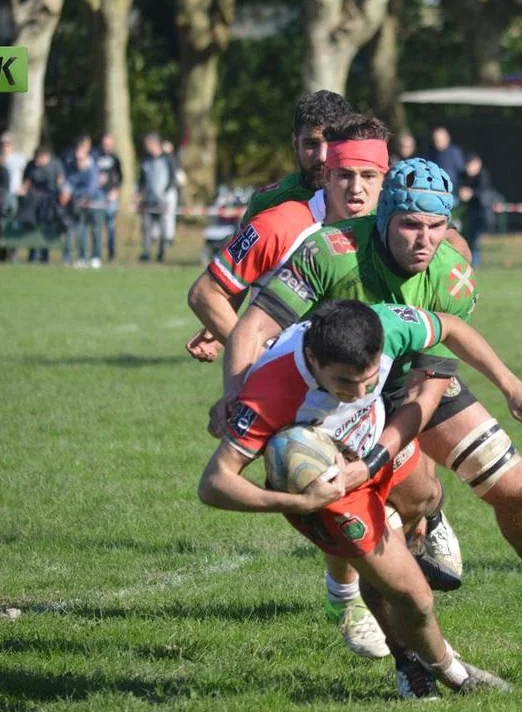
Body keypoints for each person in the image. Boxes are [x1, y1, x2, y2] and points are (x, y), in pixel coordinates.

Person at [216, 156, 522, 630]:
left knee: (517, 489)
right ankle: (362, 604)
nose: (424, 239)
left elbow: (425, 395)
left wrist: (511, 388)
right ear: (384, 217)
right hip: (335, 392)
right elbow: (253, 328)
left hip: (409, 380)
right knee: (398, 505)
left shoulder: (452, 277)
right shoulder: (330, 251)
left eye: (436, 226)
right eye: (411, 224)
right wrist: (236, 397)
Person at [190, 110, 464, 660]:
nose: (348, 180)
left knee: (420, 488)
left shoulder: (401, 223)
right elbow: (212, 296)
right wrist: (248, 384)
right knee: (325, 479)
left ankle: (423, 523)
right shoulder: (281, 220)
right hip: (307, 382)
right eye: (318, 151)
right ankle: (349, 600)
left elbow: (449, 270)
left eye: (368, 173)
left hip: (386, 371)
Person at [200, 299, 522, 698]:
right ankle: (450, 673)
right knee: (415, 598)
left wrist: (512, 386)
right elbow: (214, 483)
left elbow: (453, 328)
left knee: (425, 496)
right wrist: (304, 503)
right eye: (343, 382)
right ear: (312, 358)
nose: (356, 393)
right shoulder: (271, 389)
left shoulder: (388, 325)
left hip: (375, 448)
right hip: (332, 491)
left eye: (368, 380)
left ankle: (395, 577)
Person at [186, 90, 351, 363]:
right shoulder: (269, 202)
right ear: (295, 143)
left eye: (331, 142)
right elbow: (241, 270)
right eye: (311, 143)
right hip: (282, 344)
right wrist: (224, 325)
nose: (322, 155)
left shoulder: (370, 198)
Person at [19, 145, 68, 264]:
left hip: (50, 199)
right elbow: (27, 182)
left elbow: (60, 181)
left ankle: (44, 255)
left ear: (46, 157)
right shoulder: (31, 165)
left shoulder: (55, 165)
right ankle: (33, 255)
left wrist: (61, 193)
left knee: (46, 225)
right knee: (32, 225)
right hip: (34, 198)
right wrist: (23, 190)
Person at [64, 134, 105, 268]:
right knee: (81, 230)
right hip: (80, 204)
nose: (78, 161)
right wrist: (67, 192)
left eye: (81, 159)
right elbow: (70, 183)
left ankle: (96, 257)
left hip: (95, 204)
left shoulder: (92, 168)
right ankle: (82, 257)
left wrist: (82, 196)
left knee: (96, 231)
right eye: (77, 159)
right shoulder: (73, 168)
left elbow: (92, 188)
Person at [138, 132, 175, 263]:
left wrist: (165, 194)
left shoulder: (167, 159)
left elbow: (172, 179)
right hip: (148, 199)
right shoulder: (146, 160)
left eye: (148, 144)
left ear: (155, 144)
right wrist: (139, 193)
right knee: (146, 228)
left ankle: (161, 253)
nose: (146, 147)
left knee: (163, 229)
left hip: (162, 200)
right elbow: (142, 179)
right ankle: (146, 253)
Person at [456, 153, 497, 268]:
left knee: (475, 240)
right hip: (465, 211)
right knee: (465, 237)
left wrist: (471, 194)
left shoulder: (483, 175)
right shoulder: (462, 175)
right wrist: (461, 194)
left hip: (480, 212)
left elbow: (484, 193)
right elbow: (458, 189)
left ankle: (475, 263)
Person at [94, 133, 124, 262]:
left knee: (110, 225)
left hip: (111, 195)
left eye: (109, 144)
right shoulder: (96, 157)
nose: (107, 146)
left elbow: (120, 177)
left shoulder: (115, 159)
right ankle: (97, 254)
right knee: (97, 225)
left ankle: (111, 253)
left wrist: (115, 190)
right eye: (105, 144)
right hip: (98, 195)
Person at [426, 127, 465, 192]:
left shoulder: (455, 152)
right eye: (436, 140)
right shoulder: (431, 153)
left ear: (447, 139)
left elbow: (462, 172)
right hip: (434, 190)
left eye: (441, 140)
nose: (438, 142)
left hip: (452, 191)